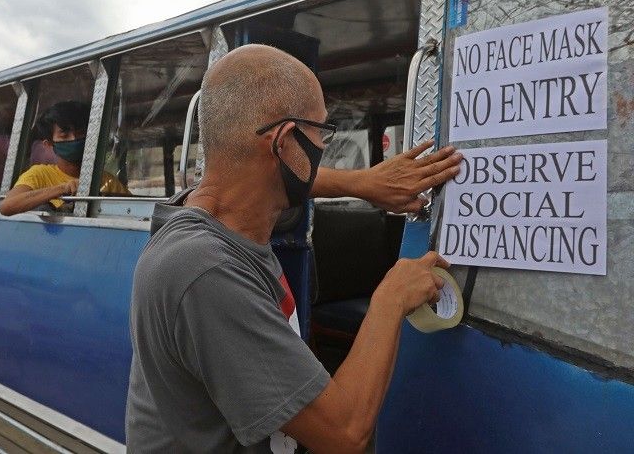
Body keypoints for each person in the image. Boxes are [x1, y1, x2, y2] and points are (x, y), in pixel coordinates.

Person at [126, 45, 463, 453]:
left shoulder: (217, 212)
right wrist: (391, 297)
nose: (322, 146)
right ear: (285, 143)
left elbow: (282, 174)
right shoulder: (204, 269)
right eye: (321, 133)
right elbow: (344, 435)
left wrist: (362, 183)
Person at [0, 101, 129, 216]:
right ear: (49, 144)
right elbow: (7, 206)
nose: (74, 139)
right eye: (64, 135)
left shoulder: (107, 180)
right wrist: (63, 189)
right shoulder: (39, 174)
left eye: (80, 133)